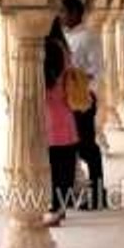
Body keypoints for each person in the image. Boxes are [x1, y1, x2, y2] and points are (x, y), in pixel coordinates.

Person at [59, 0, 107, 211]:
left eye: (64, 12)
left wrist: (76, 80)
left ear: (75, 13)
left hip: (82, 100)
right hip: (64, 102)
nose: (61, 16)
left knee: (87, 147)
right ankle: (71, 192)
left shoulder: (88, 37)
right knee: (68, 149)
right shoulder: (63, 37)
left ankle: (98, 193)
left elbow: (97, 70)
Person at [43, 17, 79, 226]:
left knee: (57, 165)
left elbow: (48, 80)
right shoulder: (61, 46)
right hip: (63, 111)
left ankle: (56, 208)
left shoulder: (50, 48)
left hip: (52, 112)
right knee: (64, 163)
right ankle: (60, 206)